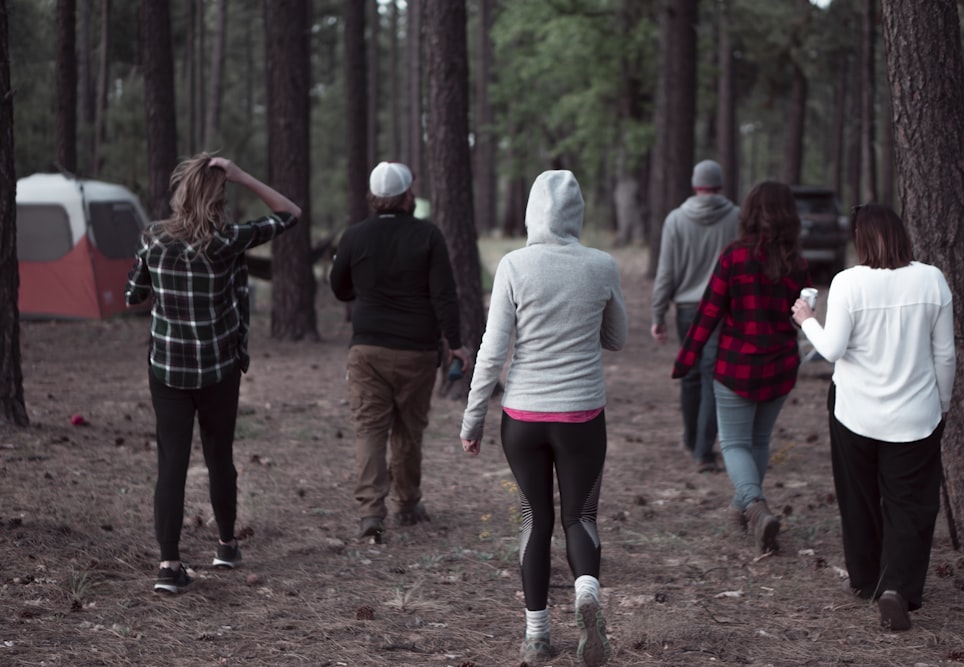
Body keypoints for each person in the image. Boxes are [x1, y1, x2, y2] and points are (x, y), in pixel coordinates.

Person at [460, 170, 627, 667]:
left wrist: (473, 420)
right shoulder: (602, 265)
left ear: (533, 213)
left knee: (536, 517)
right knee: (581, 516)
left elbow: (492, 351)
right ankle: (586, 594)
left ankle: (536, 637)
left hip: (524, 418)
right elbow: (616, 338)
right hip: (582, 417)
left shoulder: (514, 264)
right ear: (576, 214)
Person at [124, 154, 301, 593]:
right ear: (220, 198)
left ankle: (169, 565)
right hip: (219, 368)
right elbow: (290, 213)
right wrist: (241, 175)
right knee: (219, 455)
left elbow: (133, 296)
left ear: (181, 193)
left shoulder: (153, 238)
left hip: (167, 368)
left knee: (172, 463)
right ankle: (225, 545)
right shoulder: (229, 240)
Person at [791, 204, 954, 632]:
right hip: (916, 415)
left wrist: (807, 320)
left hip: (855, 413)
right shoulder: (931, 279)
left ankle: (866, 580)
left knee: (859, 498)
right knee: (910, 505)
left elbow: (830, 350)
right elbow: (945, 355)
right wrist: (944, 404)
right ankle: (897, 588)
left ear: (860, 240)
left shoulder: (848, 283)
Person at [329, 161, 470, 542]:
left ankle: (371, 514)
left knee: (370, 430)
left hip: (368, 350)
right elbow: (444, 295)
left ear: (373, 198)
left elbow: (339, 288)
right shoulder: (428, 235)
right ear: (408, 196)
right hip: (417, 352)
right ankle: (407, 504)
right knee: (409, 429)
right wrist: (455, 343)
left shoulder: (355, 236)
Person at [672, 181, 810, 554]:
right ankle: (743, 506)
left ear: (749, 213)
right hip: (780, 366)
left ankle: (752, 504)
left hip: (736, 366)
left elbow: (708, 313)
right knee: (759, 441)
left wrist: (685, 360)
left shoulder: (734, 256)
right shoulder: (797, 264)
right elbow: (802, 315)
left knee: (733, 443)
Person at [650, 159, 740, 472]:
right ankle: (703, 450)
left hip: (687, 311)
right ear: (720, 184)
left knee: (690, 377)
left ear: (694, 184)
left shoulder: (675, 220)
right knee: (712, 377)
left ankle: (692, 441)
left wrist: (658, 313)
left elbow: (666, 272)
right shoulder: (737, 218)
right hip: (722, 310)